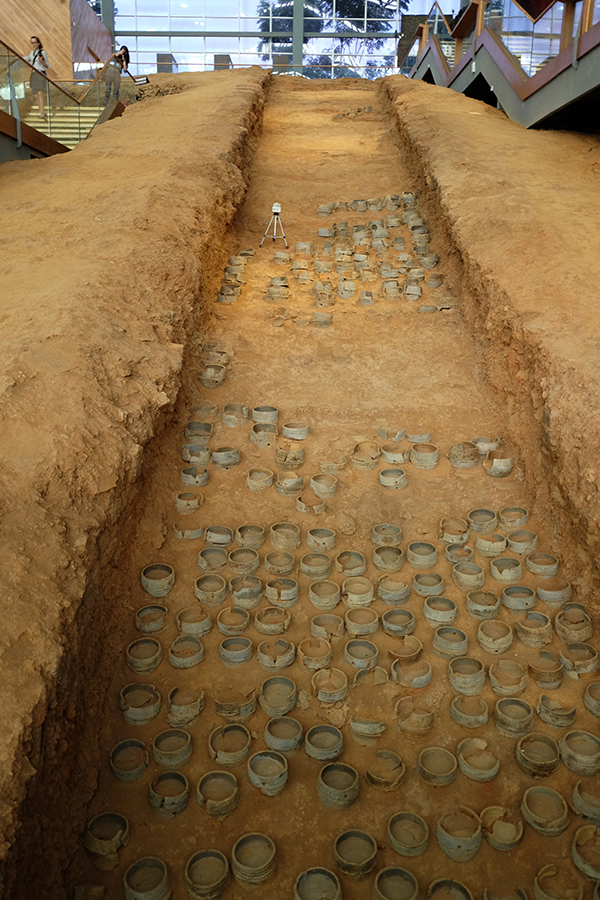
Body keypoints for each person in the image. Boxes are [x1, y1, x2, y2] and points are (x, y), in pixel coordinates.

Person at [24, 36, 49, 120]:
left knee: (39, 93)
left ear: (38, 43)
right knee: (35, 94)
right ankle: (41, 111)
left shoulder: (43, 52)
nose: (34, 44)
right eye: (32, 42)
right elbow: (27, 58)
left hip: (40, 73)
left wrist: (41, 61)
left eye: (35, 42)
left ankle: (42, 113)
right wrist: (18, 57)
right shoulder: (32, 52)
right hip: (34, 74)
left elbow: (47, 66)